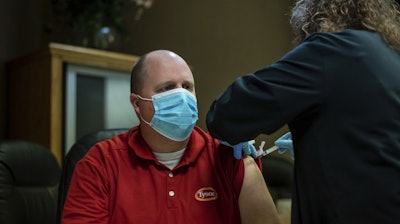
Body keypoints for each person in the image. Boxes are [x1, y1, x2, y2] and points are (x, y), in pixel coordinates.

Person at [206, 0, 400, 223]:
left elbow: (227, 114)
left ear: (311, 16)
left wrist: (234, 129)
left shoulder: (330, 50)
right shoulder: (390, 56)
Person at [61, 50, 280, 224]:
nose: (182, 96)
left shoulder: (230, 159)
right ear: (137, 104)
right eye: (167, 88)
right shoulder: (100, 164)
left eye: (187, 87)